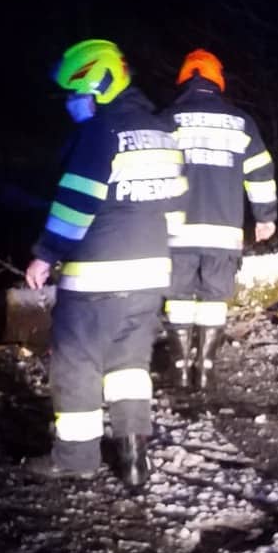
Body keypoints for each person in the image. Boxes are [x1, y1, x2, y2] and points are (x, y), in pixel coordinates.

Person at [23, 39, 186, 489]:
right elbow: (176, 204)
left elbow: (76, 203)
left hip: (97, 273)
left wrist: (45, 254)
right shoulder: (161, 131)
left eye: (75, 94)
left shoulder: (100, 133)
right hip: (151, 271)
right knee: (130, 364)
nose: (71, 104)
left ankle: (76, 457)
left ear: (98, 86)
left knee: (77, 362)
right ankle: (134, 457)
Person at [162, 48, 277, 388]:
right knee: (214, 297)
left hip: (176, 231)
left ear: (183, 80)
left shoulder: (166, 119)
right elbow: (260, 173)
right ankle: (206, 369)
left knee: (178, 295)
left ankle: (180, 369)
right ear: (218, 81)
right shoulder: (242, 123)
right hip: (224, 232)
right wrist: (265, 217)